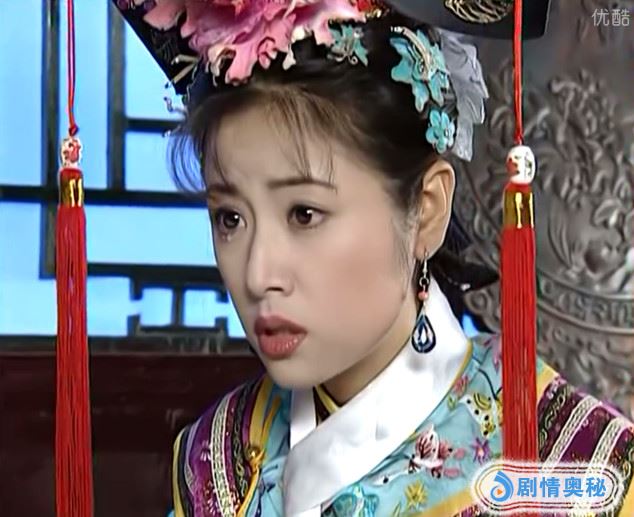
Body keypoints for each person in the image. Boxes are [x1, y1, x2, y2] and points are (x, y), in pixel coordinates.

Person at [111, 1, 634, 515]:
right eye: (230, 218)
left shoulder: (576, 462)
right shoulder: (217, 457)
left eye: (304, 214)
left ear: (426, 210)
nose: (257, 274)